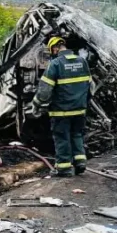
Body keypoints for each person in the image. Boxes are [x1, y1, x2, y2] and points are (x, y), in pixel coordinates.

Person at [32, 36, 91, 177]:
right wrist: (84, 102)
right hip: (79, 109)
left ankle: (64, 168)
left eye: (51, 50)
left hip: (61, 111)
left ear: (55, 48)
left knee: (62, 137)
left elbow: (44, 91)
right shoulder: (82, 61)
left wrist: (37, 105)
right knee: (77, 135)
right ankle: (80, 163)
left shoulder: (55, 64)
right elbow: (90, 86)